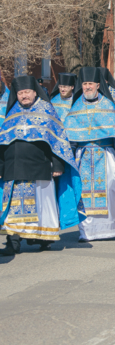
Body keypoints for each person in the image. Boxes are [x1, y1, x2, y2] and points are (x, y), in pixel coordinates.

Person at [0, 76, 83, 256]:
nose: (24, 96)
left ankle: (43, 237)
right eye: (20, 93)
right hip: (13, 169)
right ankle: (12, 242)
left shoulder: (47, 110)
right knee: (13, 208)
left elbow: (59, 141)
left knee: (41, 206)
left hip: (40, 167)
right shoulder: (12, 112)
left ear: (34, 92)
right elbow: (3, 144)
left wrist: (58, 165)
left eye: (27, 92)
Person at [64, 67, 115, 242]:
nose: (87, 87)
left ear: (98, 85)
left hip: (106, 155)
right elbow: (70, 136)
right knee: (84, 192)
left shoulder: (109, 106)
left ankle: (109, 230)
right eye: (85, 84)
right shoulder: (76, 107)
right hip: (83, 155)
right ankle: (86, 232)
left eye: (90, 84)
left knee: (110, 189)